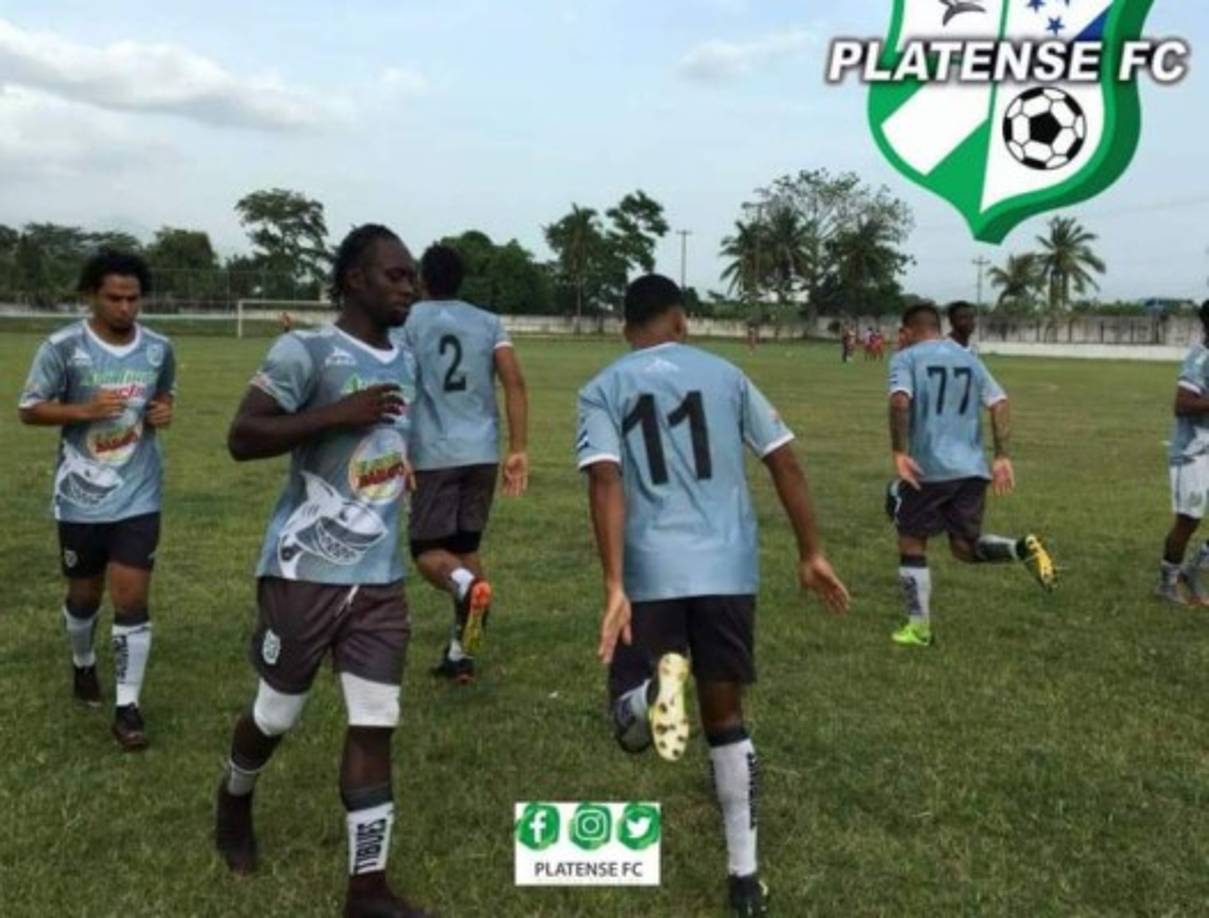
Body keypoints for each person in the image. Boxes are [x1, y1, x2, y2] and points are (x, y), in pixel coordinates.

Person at [577, 274, 850, 917]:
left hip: (651, 573)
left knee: (630, 726)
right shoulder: (728, 376)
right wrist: (810, 551)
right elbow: (785, 460)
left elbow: (606, 483)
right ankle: (744, 878)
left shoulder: (602, 388)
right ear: (681, 320)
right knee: (726, 720)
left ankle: (650, 693)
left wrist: (615, 583)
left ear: (625, 330)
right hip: (727, 568)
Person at [213, 225, 433, 918]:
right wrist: (337, 413)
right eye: (396, 276)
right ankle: (233, 800)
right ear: (353, 280)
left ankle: (366, 889)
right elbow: (242, 437)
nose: (409, 287)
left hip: (378, 575)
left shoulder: (409, 356)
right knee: (276, 714)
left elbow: (388, 438)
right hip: (302, 570)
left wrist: (402, 464)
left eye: (414, 277)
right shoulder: (304, 349)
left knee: (375, 718)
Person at [18, 250, 175, 751]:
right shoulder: (62, 346)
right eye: (114, 298)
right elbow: (29, 409)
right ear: (91, 295)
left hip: (138, 492)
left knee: (131, 599)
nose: (126, 308)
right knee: (84, 597)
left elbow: (163, 396)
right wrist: (84, 409)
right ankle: (83, 663)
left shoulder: (158, 348)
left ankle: (127, 707)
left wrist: (162, 411)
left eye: (133, 298)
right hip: (80, 497)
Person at [886, 303, 1056, 647]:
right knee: (964, 548)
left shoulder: (906, 359)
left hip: (929, 469)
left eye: (899, 334)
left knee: (911, 540)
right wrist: (1003, 456)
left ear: (908, 331)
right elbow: (999, 402)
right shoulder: (969, 358)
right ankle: (1020, 549)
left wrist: (900, 452)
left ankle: (918, 628)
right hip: (972, 470)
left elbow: (900, 401)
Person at [398, 243, 528, 683]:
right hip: (483, 453)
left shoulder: (409, 322)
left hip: (434, 454)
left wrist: (397, 448)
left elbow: (399, 388)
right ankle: (460, 655)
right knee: (465, 549)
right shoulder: (488, 322)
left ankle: (468, 589)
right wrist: (519, 447)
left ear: (422, 280)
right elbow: (514, 382)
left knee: (427, 552)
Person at [1156, 301, 1209, 605]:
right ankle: (1167, 582)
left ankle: (1196, 567)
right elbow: (1183, 404)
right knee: (1188, 519)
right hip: (1191, 454)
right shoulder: (1199, 360)